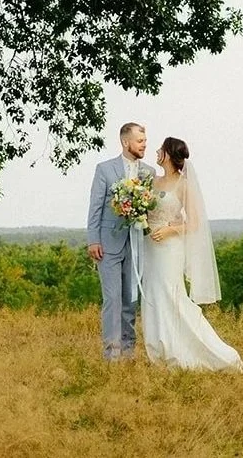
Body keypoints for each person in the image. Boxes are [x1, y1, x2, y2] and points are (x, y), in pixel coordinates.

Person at [140, 136, 243, 374]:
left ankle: (214, 354)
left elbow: (194, 224)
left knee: (172, 298)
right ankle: (158, 351)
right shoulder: (152, 180)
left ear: (169, 155)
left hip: (169, 248)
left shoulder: (183, 185)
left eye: (161, 149)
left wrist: (170, 229)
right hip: (148, 246)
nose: (156, 152)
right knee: (153, 296)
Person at [86, 122, 155, 360]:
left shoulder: (149, 172)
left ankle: (128, 352)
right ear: (126, 142)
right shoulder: (104, 169)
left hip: (137, 245)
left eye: (145, 141)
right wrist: (93, 239)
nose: (144, 145)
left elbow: (150, 211)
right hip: (108, 244)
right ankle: (111, 355)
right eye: (140, 141)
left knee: (130, 300)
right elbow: (95, 207)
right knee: (112, 299)